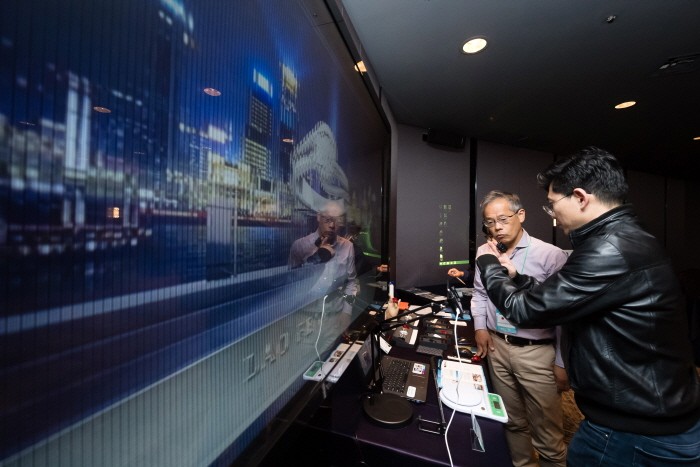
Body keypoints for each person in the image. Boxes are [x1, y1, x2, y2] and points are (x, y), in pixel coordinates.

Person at [476, 147, 700, 466]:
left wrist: (488, 263)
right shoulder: (625, 238)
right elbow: (562, 300)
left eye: (553, 205)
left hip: (635, 428)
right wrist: (518, 278)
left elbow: (525, 311)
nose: (553, 216)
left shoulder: (608, 248)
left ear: (580, 197)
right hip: (640, 415)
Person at [450, 190, 569, 467]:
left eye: (503, 219)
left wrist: (562, 362)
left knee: (548, 435)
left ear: (521, 215)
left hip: (536, 352)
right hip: (497, 346)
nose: (497, 228)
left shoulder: (550, 255)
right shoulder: (485, 252)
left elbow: (564, 313)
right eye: (490, 222)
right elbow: (480, 293)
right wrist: (480, 328)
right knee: (512, 422)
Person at [289, 200, 358, 327]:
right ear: (319, 217)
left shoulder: (347, 246)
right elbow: (291, 285)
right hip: (305, 318)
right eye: (328, 219)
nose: (332, 225)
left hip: (334, 317)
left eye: (337, 220)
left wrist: (347, 312)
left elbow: (351, 282)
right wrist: (317, 259)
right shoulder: (300, 246)